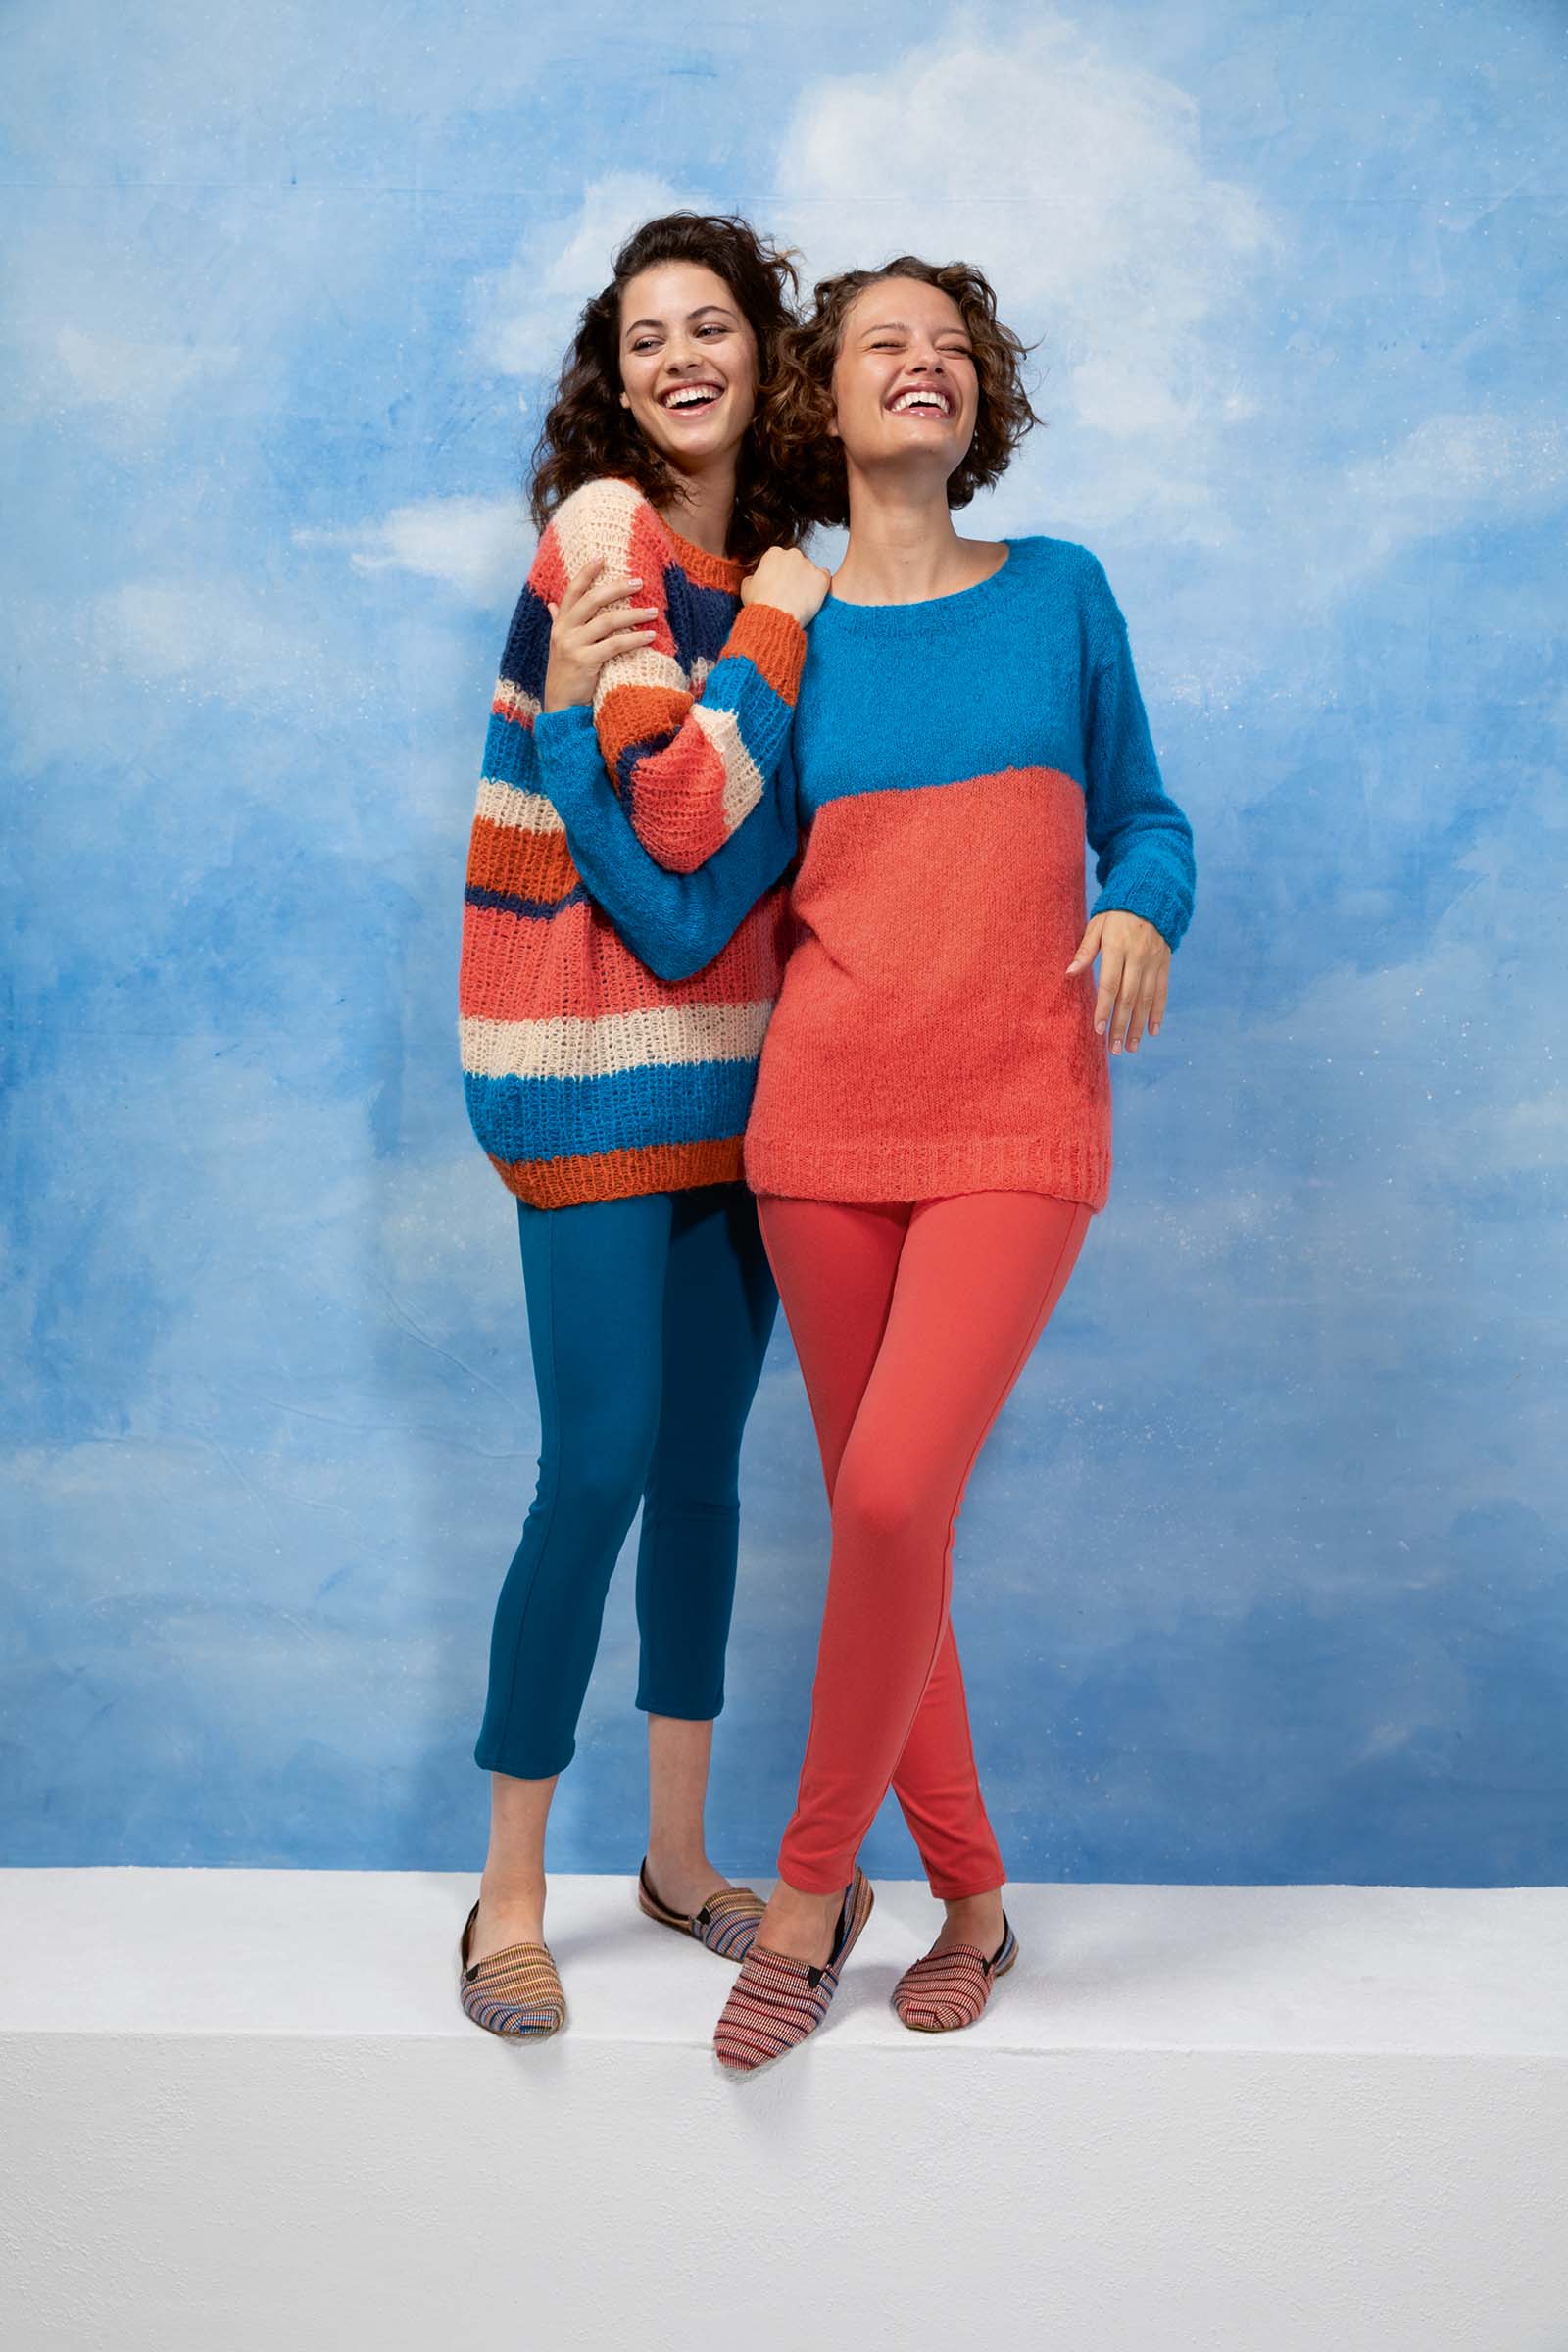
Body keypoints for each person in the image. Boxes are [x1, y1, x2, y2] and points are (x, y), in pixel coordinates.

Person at [537, 254, 1197, 2073]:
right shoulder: (791, 631)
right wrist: (581, 747)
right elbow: (693, 901)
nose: (927, 361)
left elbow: (1146, 817)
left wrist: (1143, 905)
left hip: (1016, 1115)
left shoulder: (1060, 594)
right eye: (885, 342)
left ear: (983, 397)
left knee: (895, 1498)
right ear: (821, 398)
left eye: (953, 344)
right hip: (817, 1137)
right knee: (890, 1533)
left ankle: (809, 1891)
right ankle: (974, 1903)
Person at [453, 210, 828, 2040]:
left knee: (700, 1481)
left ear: (765, 351)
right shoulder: (609, 531)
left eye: (712, 325)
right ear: (613, 380)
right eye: (645, 336)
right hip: (585, 1067)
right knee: (595, 1468)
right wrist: (773, 631)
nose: (681, 357)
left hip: (740, 1083)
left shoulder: (771, 571)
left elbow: (743, 846)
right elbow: (686, 835)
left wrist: (740, 660)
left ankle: (677, 1860)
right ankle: (508, 1892)